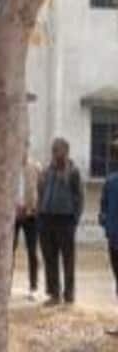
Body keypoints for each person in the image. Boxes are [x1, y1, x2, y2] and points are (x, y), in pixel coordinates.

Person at [38, 137, 83, 307]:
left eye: (58, 150)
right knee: (50, 258)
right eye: (53, 150)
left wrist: (75, 219)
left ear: (66, 152)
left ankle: (69, 294)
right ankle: (54, 294)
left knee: (68, 259)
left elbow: (79, 197)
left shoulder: (73, 172)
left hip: (66, 220)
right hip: (47, 219)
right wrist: (40, 213)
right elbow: (41, 192)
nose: (55, 153)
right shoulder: (47, 171)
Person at [14, 146, 42, 301]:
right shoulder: (10, 168)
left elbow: (41, 190)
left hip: (31, 215)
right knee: (8, 251)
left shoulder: (35, 168)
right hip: (12, 215)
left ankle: (33, 286)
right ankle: (5, 284)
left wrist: (35, 208)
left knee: (32, 251)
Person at [100, 139, 118, 337]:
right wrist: (105, 223)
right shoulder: (110, 182)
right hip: (114, 239)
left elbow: (103, 209)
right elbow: (103, 208)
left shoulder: (110, 182)